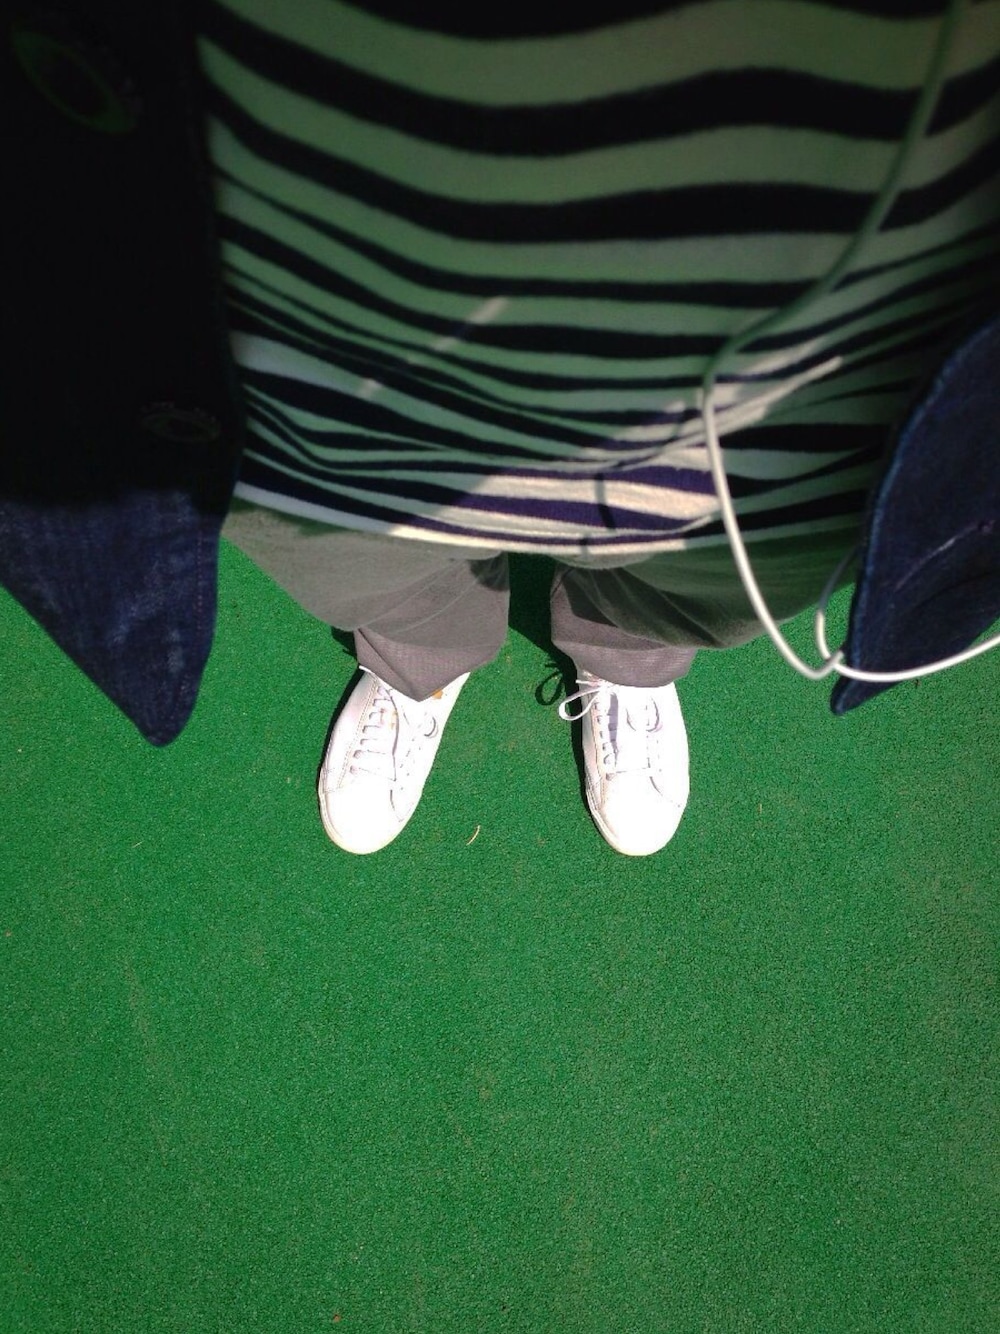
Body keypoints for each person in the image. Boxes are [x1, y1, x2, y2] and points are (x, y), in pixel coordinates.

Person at [5, 1, 999, 855]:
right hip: (302, 311)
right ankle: (417, 663)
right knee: (356, 550)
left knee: (699, 570)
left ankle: (626, 657)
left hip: (806, 374)